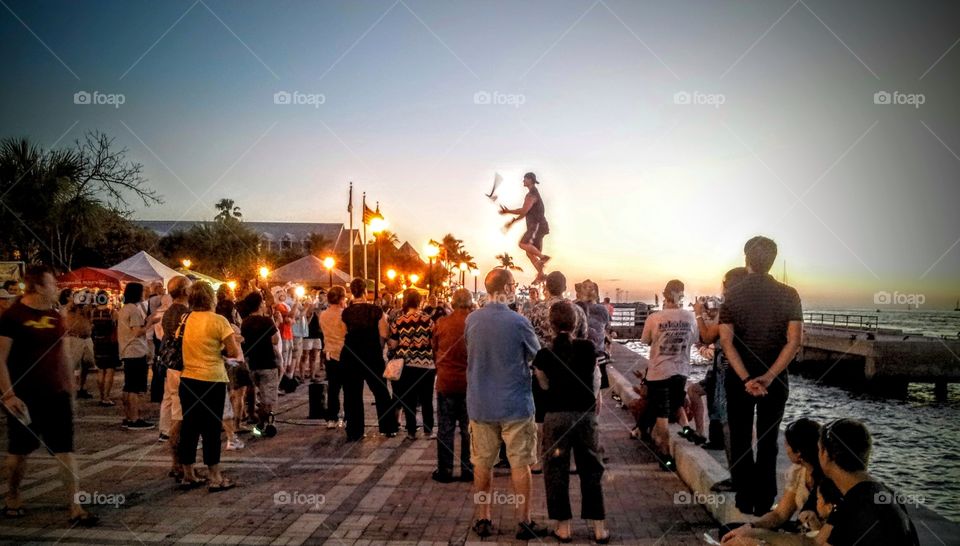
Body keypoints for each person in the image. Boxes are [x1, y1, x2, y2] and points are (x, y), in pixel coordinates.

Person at [0, 265, 99, 526]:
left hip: (56, 395)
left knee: (65, 450)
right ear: (38, 286)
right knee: (19, 452)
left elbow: (63, 355)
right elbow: (0, 357)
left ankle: (75, 506)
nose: (56, 287)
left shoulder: (55, 316)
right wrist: (8, 395)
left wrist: (70, 390)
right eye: (51, 283)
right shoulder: (13, 316)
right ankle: (13, 495)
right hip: (24, 396)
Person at [719, 236, 803, 515]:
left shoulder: (732, 294)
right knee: (769, 441)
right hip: (775, 381)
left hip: (738, 380)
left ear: (746, 259)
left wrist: (746, 378)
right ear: (773, 260)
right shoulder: (789, 294)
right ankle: (765, 502)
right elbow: (794, 341)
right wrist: (768, 376)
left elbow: (727, 342)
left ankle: (745, 499)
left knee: (741, 438)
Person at [466, 268, 548, 540]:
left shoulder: (472, 320)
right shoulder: (519, 322)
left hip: (481, 403)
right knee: (520, 464)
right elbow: (538, 357)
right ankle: (523, 521)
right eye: (513, 284)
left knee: (482, 463)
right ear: (507, 288)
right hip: (515, 404)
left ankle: (483, 518)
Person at [532, 301, 609, 543]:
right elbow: (596, 381)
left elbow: (543, 385)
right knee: (591, 469)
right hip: (585, 416)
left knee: (556, 470)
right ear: (576, 324)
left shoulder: (544, 354)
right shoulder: (588, 348)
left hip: (556, 417)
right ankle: (599, 528)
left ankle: (563, 528)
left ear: (551, 325)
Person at [178, 281, 241, 491]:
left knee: (189, 427)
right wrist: (221, 348)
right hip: (212, 379)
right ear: (210, 298)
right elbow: (233, 352)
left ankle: (188, 474)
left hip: (188, 379)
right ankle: (215, 476)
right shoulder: (218, 321)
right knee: (211, 428)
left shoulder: (185, 319)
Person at [721, 418, 824, 543]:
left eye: (787, 445)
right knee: (729, 530)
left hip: (816, 535)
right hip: (801, 528)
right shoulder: (798, 472)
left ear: (798, 453)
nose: (785, 448)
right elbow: (780, 514)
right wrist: (752, 526)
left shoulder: (827, 477)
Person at [639, 279, 698, 471]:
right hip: (681, 371)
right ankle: (687, 429)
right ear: (682, 294)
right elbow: (694, 340)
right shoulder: (690, 317)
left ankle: (666, 456)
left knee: (662, 415)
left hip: (659, 372)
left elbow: (645, 340)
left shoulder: (654, 317)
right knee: (677, 403)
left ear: (665, 295)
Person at [341, 278, 396, 441]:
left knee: (352, 394)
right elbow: (384, 333)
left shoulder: (346, 312)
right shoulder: (376, 311)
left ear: (352, 292)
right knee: (380, 391)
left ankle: (355, 431)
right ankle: (388, 427)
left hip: (351, 354)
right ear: (365, 291)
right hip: (371, 354)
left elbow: (343, 333)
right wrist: (379, 347)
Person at [432, 288, 473, 483]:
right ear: (470, 303)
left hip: (446, 381)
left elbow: (434, 349)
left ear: (453, 303)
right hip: (469, 383)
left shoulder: (441, 323)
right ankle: (468, 469)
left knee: (445, 428)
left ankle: (445, 470)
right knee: (468, 429)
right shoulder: (474, 325)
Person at [389, 289, 436, 440]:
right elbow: (433, 342)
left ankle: (411, 431)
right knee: (426, 399)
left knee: (409, 399)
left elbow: (393, 344)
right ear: (419, 302)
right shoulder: (428, 320)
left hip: (406, 364)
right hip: (426, 364)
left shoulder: (398, 321)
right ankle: (428, 431)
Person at [159, 275, 191, 478]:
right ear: (185, 291)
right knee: (180, 418)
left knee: (177, 414)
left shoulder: (169, 312)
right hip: (183, 368)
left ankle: (177, 463)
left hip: (172, 368)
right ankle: (179, 464)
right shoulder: (185, 314)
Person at [117, 282, 160, 430]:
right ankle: (135, 419)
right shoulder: (133, 310)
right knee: (135, 388)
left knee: (128, 386)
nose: (145, 294)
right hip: (135, 351)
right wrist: (150, 322)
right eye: (143, 291)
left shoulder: (125, 309)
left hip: (127, 350)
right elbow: (137, 332)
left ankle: (129, 417)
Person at [239, 291, 280, 437]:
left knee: (259, 393)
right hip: (268, 362)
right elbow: (275, 340)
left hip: (252, 362)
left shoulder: (245, 322)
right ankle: (269, 423)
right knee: (268, 396)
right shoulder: (267, 321)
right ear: (259, 304)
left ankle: (259, 422)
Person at [499, 172, 551, 282]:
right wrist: (509, 213)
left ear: (530, 180)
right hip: (539, 226)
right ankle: (541, 274)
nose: (523, 181)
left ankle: (543, 257)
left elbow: (523, 212)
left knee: (522, 244)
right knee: (529, 252)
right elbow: (523, 211)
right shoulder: (532, 194)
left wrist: (511, 219)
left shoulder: (532, 195)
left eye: (525, 179)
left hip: (536, 225)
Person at [319, 286, 347, 430]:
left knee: (333, 387)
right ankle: (348, 416)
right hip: (344, 352)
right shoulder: (344, 315)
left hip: (329, 353)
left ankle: (332, 417)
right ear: (342, 298)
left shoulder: (323, 315)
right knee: (348, 387)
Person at [61, 290, 96, 399]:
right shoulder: (69, 307)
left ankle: (81, 387)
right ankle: (70, 389)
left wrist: (90, 299)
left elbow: (91, 315)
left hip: (87, 338)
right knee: (72, 365)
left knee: (88, 362)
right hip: (75, 338)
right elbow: (70, 307)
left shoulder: (85, 308)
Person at [90, 290, 119, 407]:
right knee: (110, 370)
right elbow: (116, 326)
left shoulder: (93, 312)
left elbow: (91, 327)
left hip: (98, 342)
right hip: (110, 344)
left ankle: (102, 396)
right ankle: (106, 397)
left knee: (100, 370)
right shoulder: (112, 312)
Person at [302, 292, 324, 383]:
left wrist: (318, 314)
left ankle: (312, 376)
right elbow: (306, 323)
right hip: (308, 335)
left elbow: (320, 323)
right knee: (305, 356)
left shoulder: (318, 312)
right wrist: (310, 312)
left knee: (314, 356)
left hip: (316, 335)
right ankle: (302, 376)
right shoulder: (306, 312)